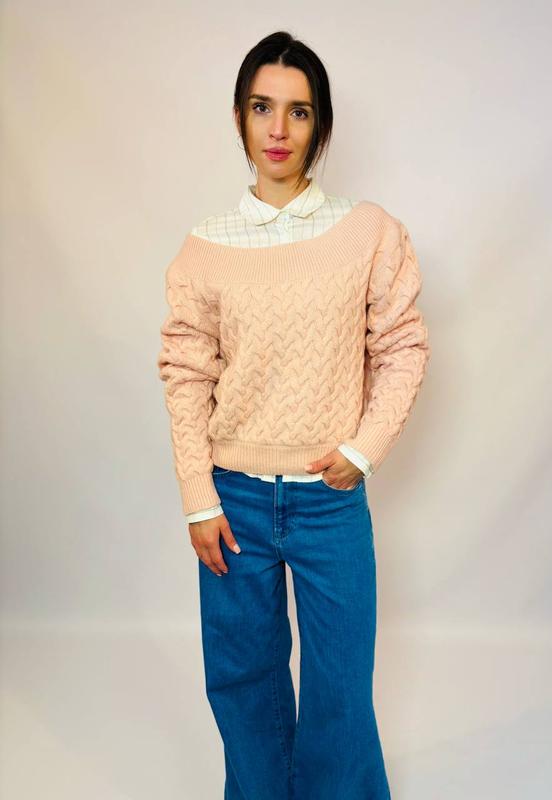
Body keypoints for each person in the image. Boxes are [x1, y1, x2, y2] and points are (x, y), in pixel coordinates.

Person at [157, 29, 430, 800]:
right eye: (261, 107)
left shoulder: (368, 232)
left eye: (299, 111)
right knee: (243, 685)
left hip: (329, 502)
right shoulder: (205, 248)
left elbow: (403, 347)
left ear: (320, 123)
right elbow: (186, 374)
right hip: (233, 500)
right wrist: (198, 498)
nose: (278, 129)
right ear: (238, 117)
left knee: (339, 695)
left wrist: (364, 449)